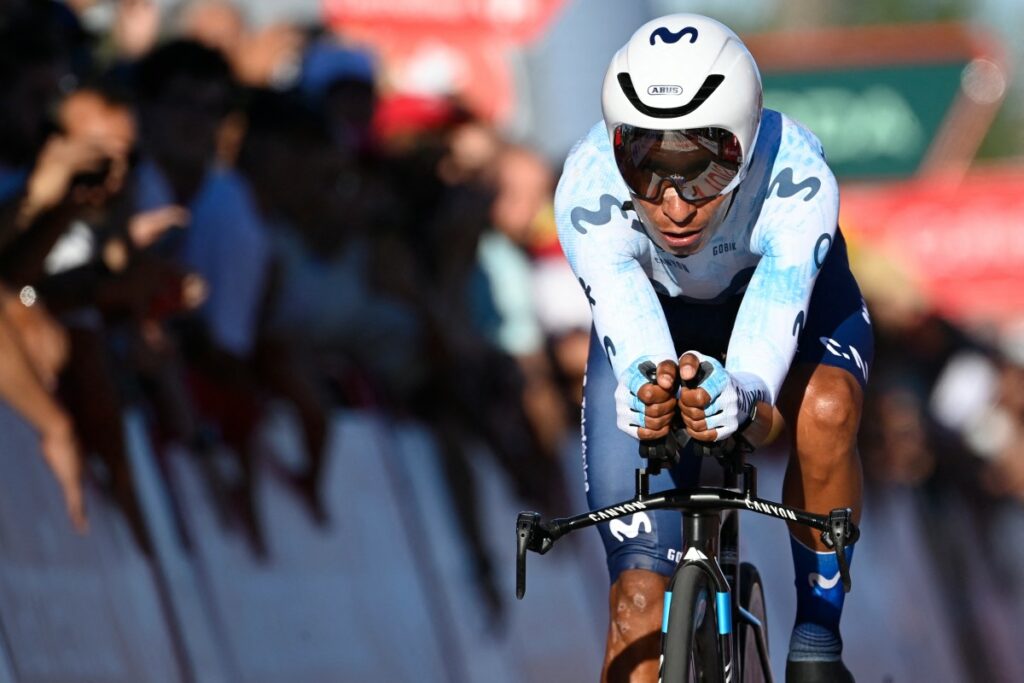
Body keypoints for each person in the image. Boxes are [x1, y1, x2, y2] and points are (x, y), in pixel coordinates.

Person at [553, 14, 872, 683]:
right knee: (638, 605)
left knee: (827, 412)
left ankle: (818, 629)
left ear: (746, 146)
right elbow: (634, 340)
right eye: (647, 168)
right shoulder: (586, 187)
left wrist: (743, 393)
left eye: (702, 172)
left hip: (775, 306)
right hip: (657, 316)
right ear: (618, 148)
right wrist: (648, 392)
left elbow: (762, 362)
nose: (673, 204)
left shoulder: (798, 179)